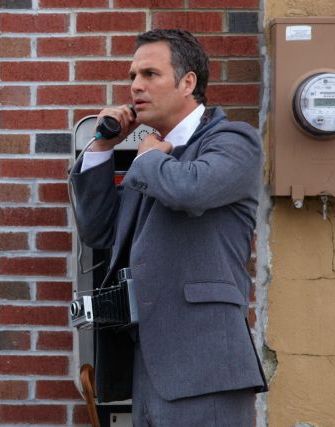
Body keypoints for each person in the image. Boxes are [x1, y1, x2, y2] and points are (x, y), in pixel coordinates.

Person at [70, 29, 268, 426]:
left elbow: (190, 191)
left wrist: (147, 157)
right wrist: (103, 148)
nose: (135, 86)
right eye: (132, 76)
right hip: (148, 370)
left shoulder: (233, 141)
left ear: (188, 82)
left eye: (150, 74)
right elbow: (99, 231)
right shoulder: (153, 155)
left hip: (206, 371)